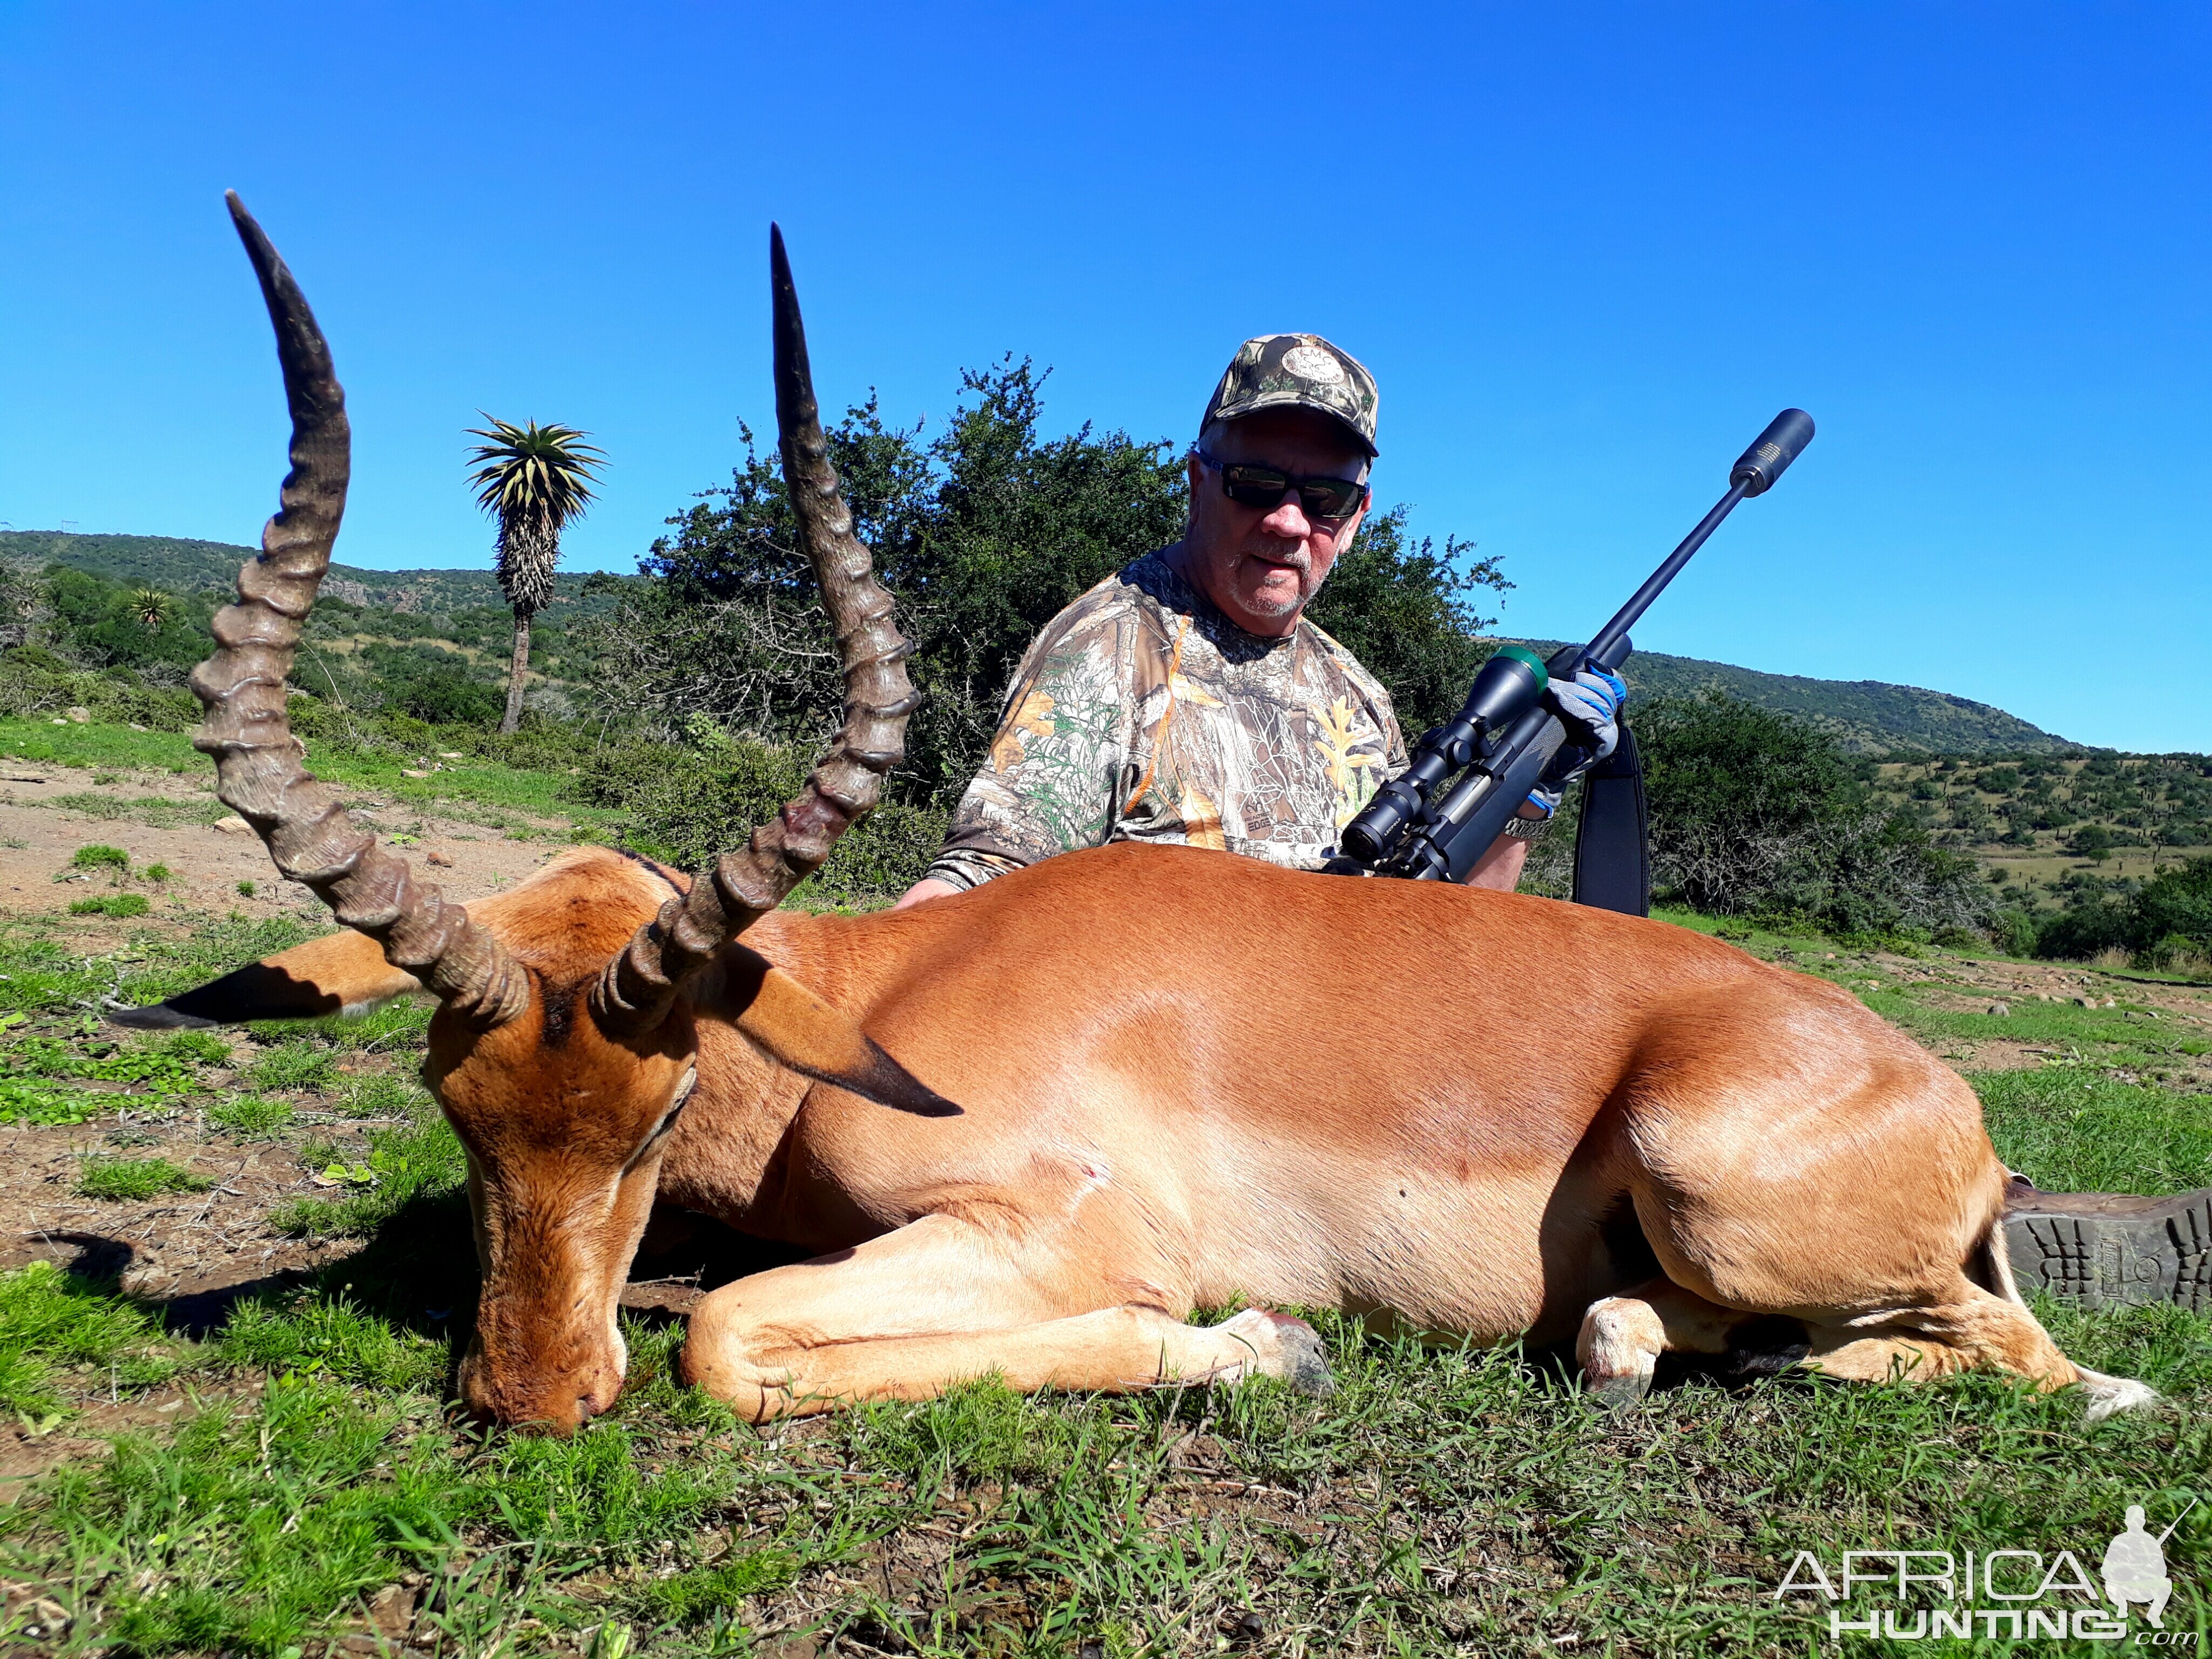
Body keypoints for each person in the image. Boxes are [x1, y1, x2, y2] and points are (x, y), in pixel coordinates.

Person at [895, 332, 1624, 908]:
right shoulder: (1114, 645)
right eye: (1255, 485)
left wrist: (1530, 792)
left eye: (1325, 499)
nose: (1286, 521)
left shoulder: (1356, 691)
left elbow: (1451, 930)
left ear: (1356, 519)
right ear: (1197, 483)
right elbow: (987, 879)